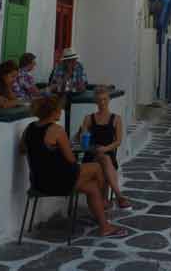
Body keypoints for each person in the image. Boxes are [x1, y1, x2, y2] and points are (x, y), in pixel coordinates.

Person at [21, 95, 125, 238]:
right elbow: (70, 159)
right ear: (53, 111)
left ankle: (104, 226)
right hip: (59, 181)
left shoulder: (29, 129)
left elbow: (22, 149)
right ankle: (104, 202)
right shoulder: (56, 130)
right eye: (59, 109)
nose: (61, 111)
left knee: (92, 187)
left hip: (38, 183)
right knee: (96, 167)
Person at [75, 87, 132, 209]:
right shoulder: (89, 118)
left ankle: (106, 201)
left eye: (105, 99)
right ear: (95, 101)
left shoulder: (116, 119)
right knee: (104, 159)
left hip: (107, 153)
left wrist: (105, 149)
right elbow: (83, 140)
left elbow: (118, 142)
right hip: (91, 154)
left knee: (104, 159)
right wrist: (82, 135)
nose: (102, 103)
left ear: (109, 100)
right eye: (99, 100)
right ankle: (118, 196)